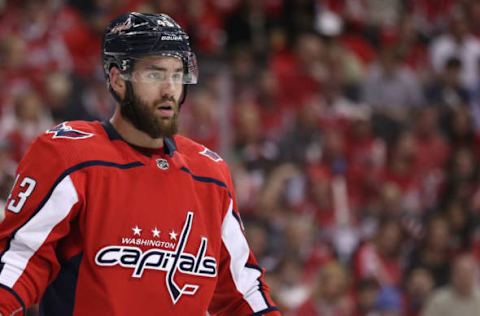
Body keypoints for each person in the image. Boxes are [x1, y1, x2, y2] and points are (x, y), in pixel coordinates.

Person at [0, 12, 280, 316]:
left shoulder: (209, 173)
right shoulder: (70, 156)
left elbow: (242, 291)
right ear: (118, 80)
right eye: (154, 74)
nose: (169, 89)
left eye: (176, 75)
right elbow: (21, 259)